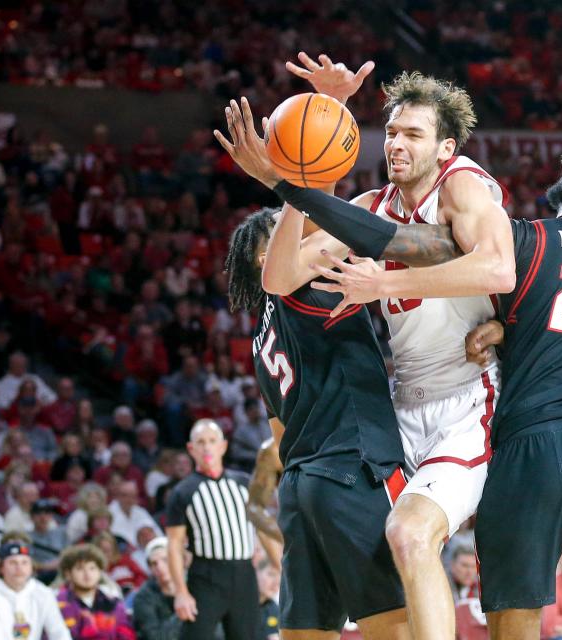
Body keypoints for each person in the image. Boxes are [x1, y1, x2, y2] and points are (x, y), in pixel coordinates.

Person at [285, 110, 562, 638]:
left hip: (527, 447)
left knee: (513, 625)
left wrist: (302, 193)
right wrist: (500, 331)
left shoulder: (534, 241)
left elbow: (414, 244)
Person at [217, 55, 516, 639]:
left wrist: (391, 284)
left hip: (467, 397)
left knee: (412, 537)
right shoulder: (370, 208)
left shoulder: (463, 184)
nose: (397, 144)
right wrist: (304, 169)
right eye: (393, 132)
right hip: (401, 406)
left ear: (446, 147)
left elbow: (502, 268)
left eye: (414, 134)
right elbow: (279, 279)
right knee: (403, 548)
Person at [165, 420, 257, 639]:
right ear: (191, 449)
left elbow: (263, 529)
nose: (207, 447)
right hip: (206, 576)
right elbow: (174, 545)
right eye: (201, 442)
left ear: (223, 446)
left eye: (212, 441)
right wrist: (181, 592)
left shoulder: (244, 483)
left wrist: (277, 565)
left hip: (245, 574)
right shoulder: (183, 492)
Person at [0, 542, 70, 640]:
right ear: (1, 568)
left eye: (24, 562)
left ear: (32, 568)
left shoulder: (43, 592)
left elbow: (59, 632)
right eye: (13, 562)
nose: (19, 568)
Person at [55, 544, 134, 640]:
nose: (87, 574)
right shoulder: (57, 604)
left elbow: (125, 633)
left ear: (100, 571)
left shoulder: (113, 602)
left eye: (92, 568)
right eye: (80, 569)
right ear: (68, 574)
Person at [131, 537, 183, 640]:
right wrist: (183, 613)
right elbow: (154, 637)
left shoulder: (194, 586)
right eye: (154, 563)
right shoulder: (143, 597)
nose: (160, 567)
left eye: (165, 560)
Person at [256, 558, 280, 640]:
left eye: (280, 578)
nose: (276, 582)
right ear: (256, 572)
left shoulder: (274, 609)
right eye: (271, 574)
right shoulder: (236, 604)